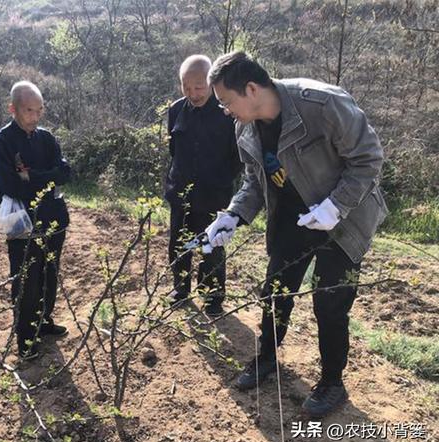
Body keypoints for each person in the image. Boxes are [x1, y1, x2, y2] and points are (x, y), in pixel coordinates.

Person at [204, 51, 387, 417]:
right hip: (292, 220)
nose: (225, 110)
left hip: (343, 220)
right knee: (274, 292)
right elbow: (254, 182)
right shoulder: (246, 128)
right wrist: (234, 215)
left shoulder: (321, 103)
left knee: (330, 303)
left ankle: (332, 382)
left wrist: (335, 206)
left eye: (226, 101)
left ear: (251, 88)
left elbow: (368, 158)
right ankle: (267, 358)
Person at [0, 81, 71, 360]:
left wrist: (33, 174)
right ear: (13, 109)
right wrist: (46, 175)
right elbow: (12, 186)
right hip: (21, 223)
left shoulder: (46, 138)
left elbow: (65, 173)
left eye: (39, 110)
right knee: (26, 279)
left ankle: (44, 322)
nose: (35, 116)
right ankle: (25, 339)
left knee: (50, 274)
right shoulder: (0, 143)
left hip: (53, 219)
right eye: (28, 110)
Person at [165, 55, 242, 317]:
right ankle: (180, 288)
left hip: (214, 195)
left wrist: (222, 185)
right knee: (179, 244)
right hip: (181, 194)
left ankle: (212, 294)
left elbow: (237, 159)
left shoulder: (227, 114)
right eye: (186, 87)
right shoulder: (176, 110)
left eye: (198, 87)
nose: (192, 93)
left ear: (210, 83)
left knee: (213, 246)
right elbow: (174, 150)